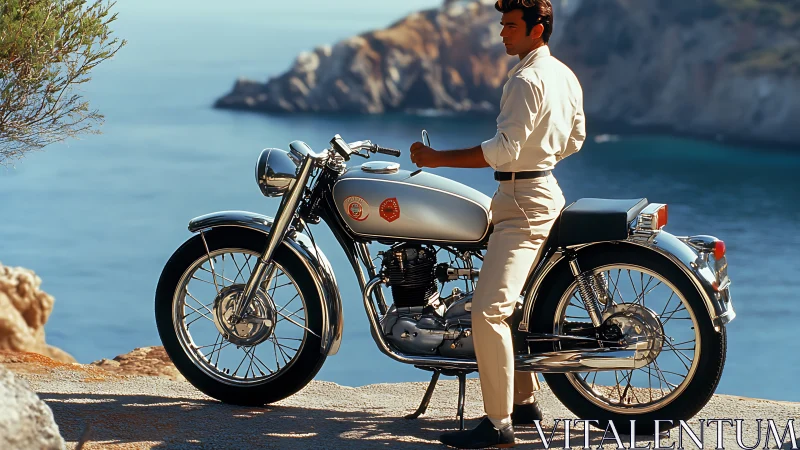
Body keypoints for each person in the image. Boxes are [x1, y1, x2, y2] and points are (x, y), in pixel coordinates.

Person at [409, 0, 586, 447]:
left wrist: (437, 159)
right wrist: (541, 158)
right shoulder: (563, 74)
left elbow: (504, 150)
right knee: (514, 305)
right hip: (541, 190)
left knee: (488, 311)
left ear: (536, 29)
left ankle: (498, 424)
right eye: (502, 24)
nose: (502, 33)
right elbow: (576, 138)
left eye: (510, 25)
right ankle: (523, 401)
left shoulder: (526, 80)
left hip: (522, 201)